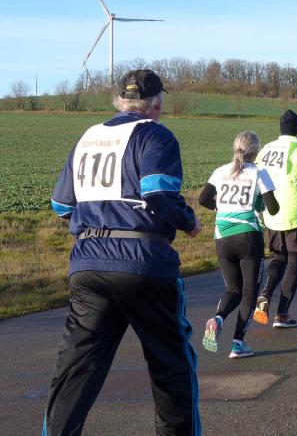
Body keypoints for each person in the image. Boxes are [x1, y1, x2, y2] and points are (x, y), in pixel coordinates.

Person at [46, 70, 201, 435]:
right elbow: (158, 193)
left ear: (120, 101)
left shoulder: (88, 137)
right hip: (143, 260)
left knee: (75, 371)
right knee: (171, 365)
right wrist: (188, 221)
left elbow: (61, 205)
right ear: (156, 103)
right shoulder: (154, 134)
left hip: (88, 260)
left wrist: (99, 215)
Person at [198, 131, 280, 359]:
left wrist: (222, 206)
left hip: (222, 236)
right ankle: (237, 344)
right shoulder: (260, 172)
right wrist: (260, 202)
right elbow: (274, 208)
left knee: (233, 290)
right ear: (256, 151)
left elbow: (203, 199)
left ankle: (217, 318)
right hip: (248, 236)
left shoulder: (220, 171)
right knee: (249, 292)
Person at [253, 110, 297, 328]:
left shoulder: (267, 149)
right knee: (294, 262)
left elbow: (255, 174)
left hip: (271, 213)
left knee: (278, 258)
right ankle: (282, 314)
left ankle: (265, 294)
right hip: (295, 214)